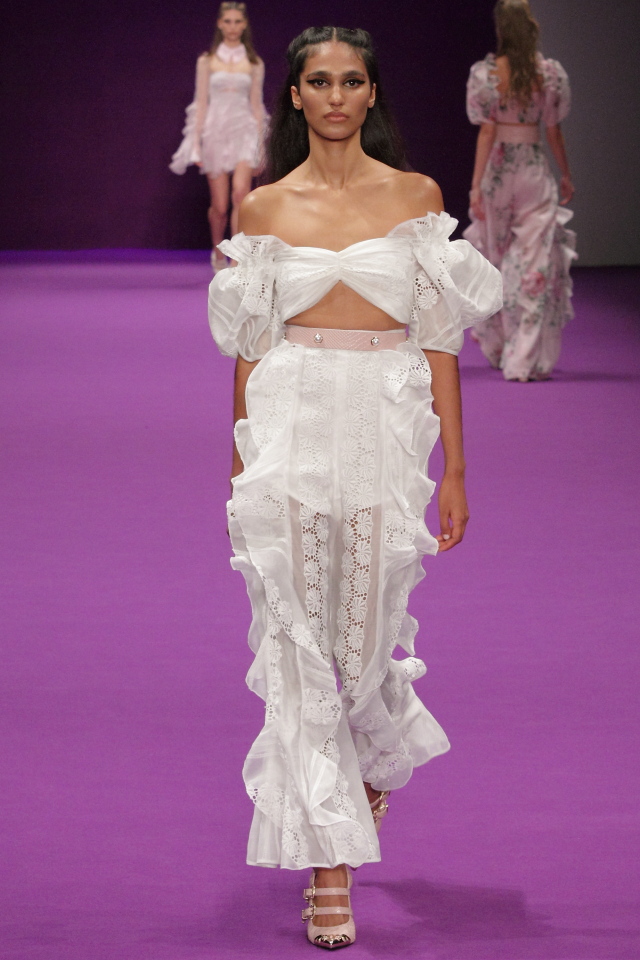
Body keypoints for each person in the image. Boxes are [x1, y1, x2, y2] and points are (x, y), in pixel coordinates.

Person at [208, 27, 502, 949]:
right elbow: (251, 345)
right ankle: (328, 865)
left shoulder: (415, 197)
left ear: (371, 93)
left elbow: (441, 338)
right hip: (292, 420)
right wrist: (241, 461)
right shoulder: (263, 207)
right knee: (299, 641)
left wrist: (455, 468)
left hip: (384, 419)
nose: (335, 95)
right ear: (295, 95)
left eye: (351, 80)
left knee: (363, 638)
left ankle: (372, 755)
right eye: (319, 81)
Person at [464, 0, 576, 382]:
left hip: (498, 172)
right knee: (533, 265)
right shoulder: (548, 74)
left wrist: (475, 186)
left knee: (495, 259)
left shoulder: (487, 74)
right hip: (531, 170)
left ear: (500, 29)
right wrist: (566, 175)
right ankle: (521, 358)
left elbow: (487, 130)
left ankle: (498, 347)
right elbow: (553, 131)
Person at [170, 2, 268, 272]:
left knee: (241, 195)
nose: (232, 27)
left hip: (245, 129)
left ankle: (236, 259)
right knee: (220, 206)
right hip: (216, 131)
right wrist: (195, 144)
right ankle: (217, 252)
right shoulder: (207, 61)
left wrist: (261, 146)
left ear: (244, 25)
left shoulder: (254, 63)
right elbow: (201, 102)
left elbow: (257, 105)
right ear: (220, 24)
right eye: (228, 21)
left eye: (237, 22)